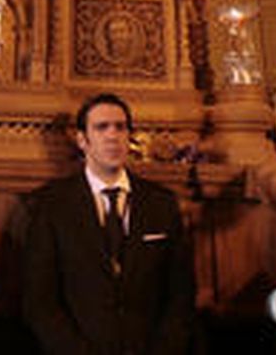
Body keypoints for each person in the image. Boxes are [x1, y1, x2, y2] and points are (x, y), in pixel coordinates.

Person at [22, 93, 195, 355]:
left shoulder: (161, 204)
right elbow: (40, 302)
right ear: (83, 140)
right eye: (102, 127)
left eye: (120, 127)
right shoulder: (51, 206)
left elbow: (180, 296)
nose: (112, 136)